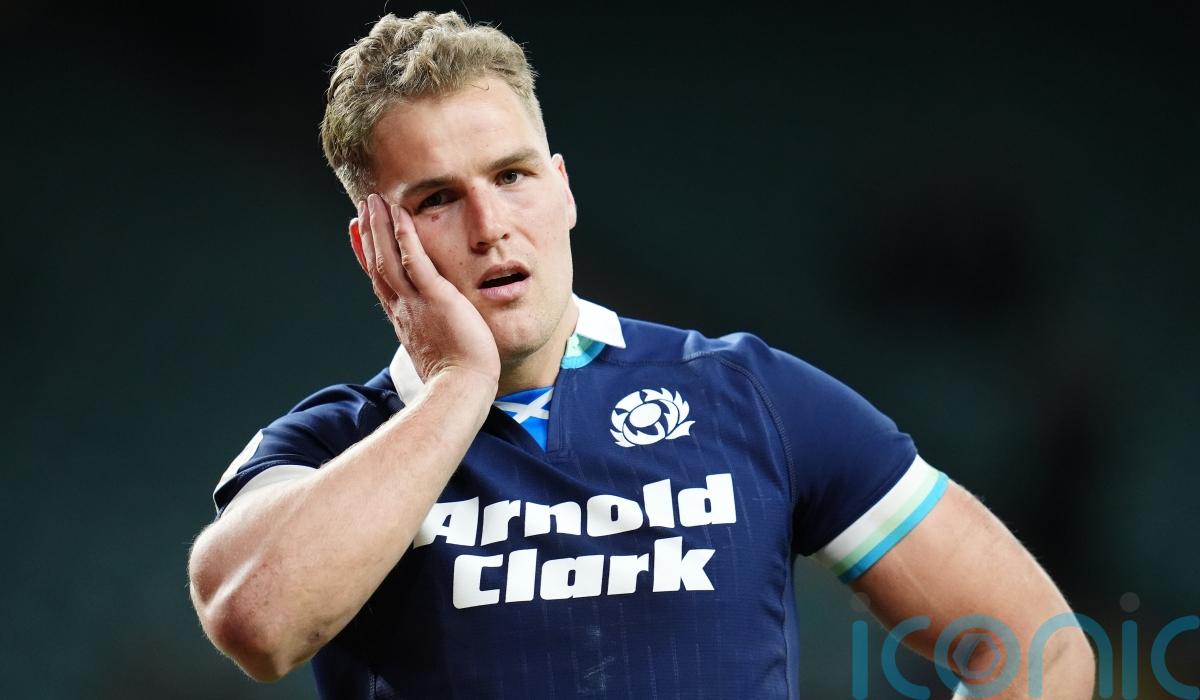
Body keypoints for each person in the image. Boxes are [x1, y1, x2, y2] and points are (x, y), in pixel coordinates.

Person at [187, 11, 1096, 698]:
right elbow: (258, 624)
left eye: (512, 175)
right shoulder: (328, 450)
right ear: (374, 246)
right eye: (436, 200)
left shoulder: (751, 397)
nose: (491, 225)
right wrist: (460, 384)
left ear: (562, 189)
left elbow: (1038, 647)